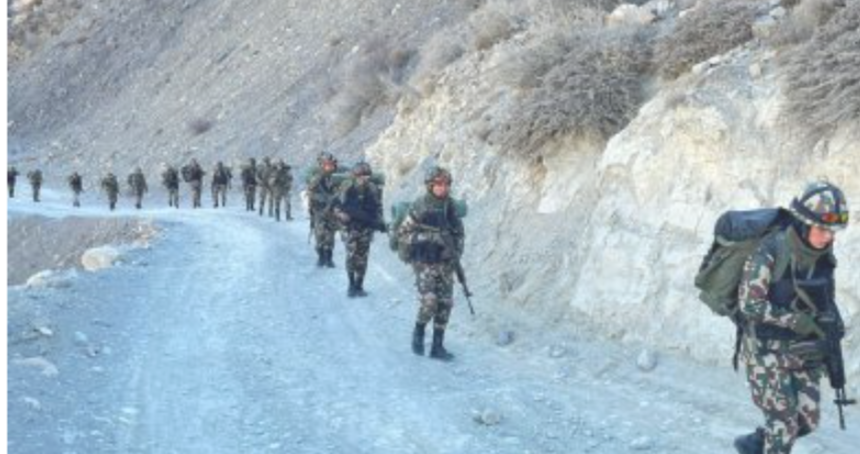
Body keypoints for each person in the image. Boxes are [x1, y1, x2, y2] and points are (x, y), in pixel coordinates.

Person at [734, 181, 849, 454]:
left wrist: (832, 323)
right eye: (822, 229)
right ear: (804, 223)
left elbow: (824, 295)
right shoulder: (770, 250)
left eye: (832, 231)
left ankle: (756, 445)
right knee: (784, 427)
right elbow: (749, 305)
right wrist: (793, 320)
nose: (827, 237)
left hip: (800, 350)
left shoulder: (822, 254)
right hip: (765, 352)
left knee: (807, 421)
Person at [397, 166, 465, 361]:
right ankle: (418, 331)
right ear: (430, 185)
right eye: (439, 184)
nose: (443, 187)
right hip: (424, 262)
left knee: (446, 304)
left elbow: (459, 234)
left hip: (445, 263)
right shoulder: (420, 205)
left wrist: (454, 252)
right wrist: (430, 237)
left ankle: (437, 346)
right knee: (430, 301)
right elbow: (403, 235)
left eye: (446, 184)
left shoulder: (450, 206)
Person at [333, 162, 385, 297]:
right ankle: (351, 285)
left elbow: (378, 207)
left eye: (367, 176)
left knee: (363, 256)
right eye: (361, 176)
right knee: (351, 256)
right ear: (355, 176)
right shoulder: (346, 187)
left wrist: (379, 222)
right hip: (349, 227)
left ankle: (359, 285)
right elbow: (336, 206)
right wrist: (341, 215)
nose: (364, 179)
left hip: (366, 227)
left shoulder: (373, 189)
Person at [308, 152, 340, 267]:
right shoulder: (317, 177)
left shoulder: (337, 177)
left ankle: (329, 257)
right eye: (326, 164)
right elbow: (311, 192)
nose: (329, 167)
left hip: (332, 211)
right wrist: (322, 198)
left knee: (330, 235)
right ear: (321, 165)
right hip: (319, 210)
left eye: (331, 164)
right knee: (320, 234)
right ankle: (321, 256)